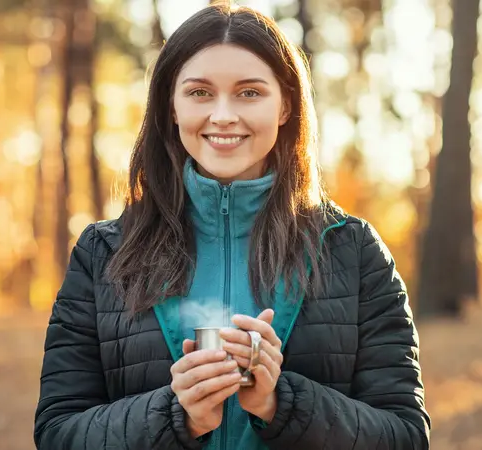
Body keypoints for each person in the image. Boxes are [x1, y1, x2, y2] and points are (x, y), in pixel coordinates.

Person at [33, 4, 430, 449]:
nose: (223, 115)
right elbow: (57, 434)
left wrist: (280, 403)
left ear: (285, 106)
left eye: (249, 93)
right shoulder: (103, 252)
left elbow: (406, 437)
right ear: (172, 107)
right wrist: (176, 415)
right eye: (200, 92)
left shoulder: (351, 250)